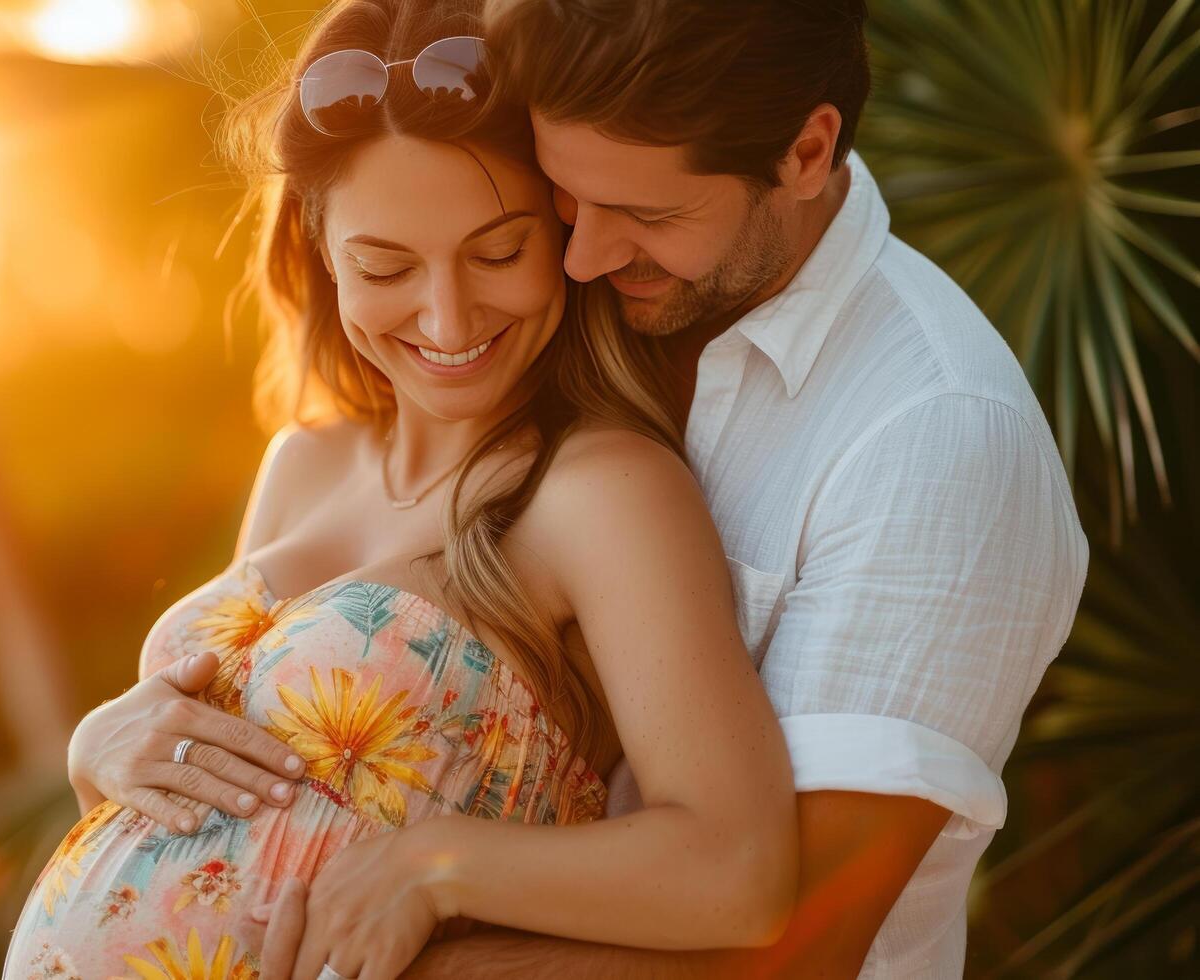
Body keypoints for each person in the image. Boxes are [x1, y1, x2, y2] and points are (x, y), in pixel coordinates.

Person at [252, 0, 1092, 976]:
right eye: (563, 198)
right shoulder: (587, 316)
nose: (583, 257)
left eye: (647, 215)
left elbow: (797, 945)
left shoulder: (935, 439)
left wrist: (409, 921)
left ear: (807, 152)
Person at [1, 1, 802, 977]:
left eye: (498, 251)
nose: (448, 314)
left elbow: (741, 868)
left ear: (561, 230)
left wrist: (435, 865)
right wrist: (101, 751)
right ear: (321, 251)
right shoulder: (304, 460)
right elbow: (220, 843)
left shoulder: (598, 491)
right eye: (385, 266)